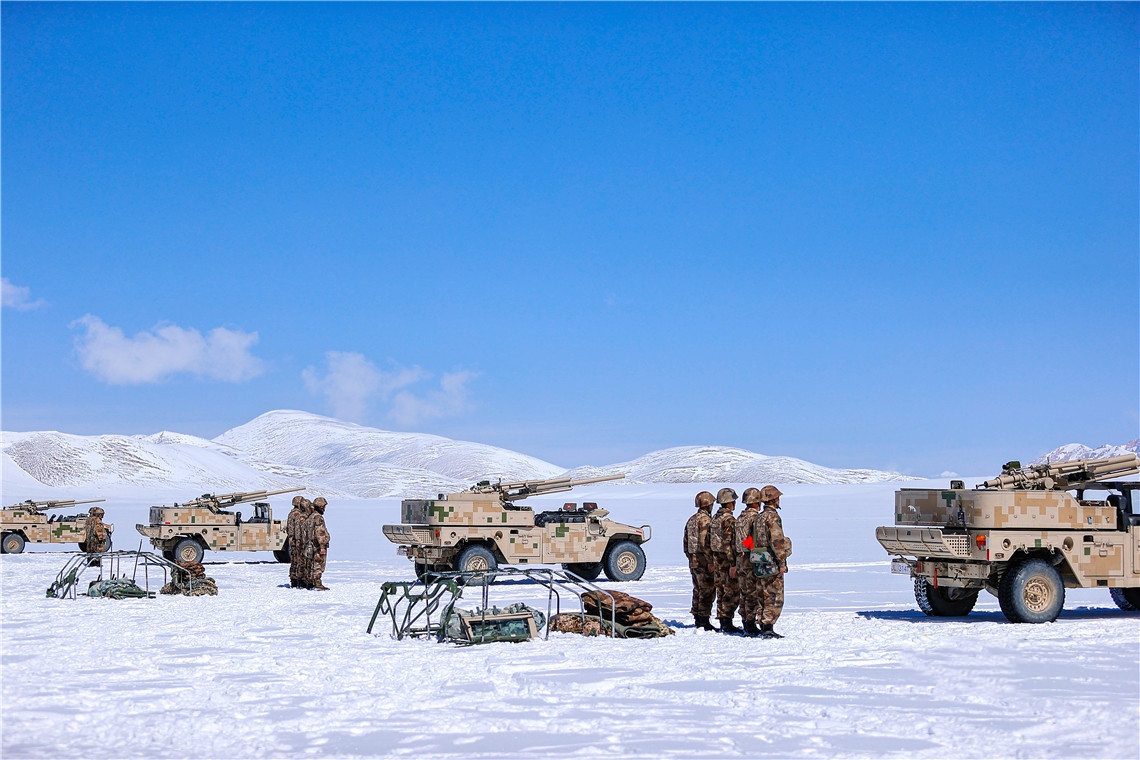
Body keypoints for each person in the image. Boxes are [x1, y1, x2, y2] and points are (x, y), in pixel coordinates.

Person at [753, 485, 792, 638]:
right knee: (774, 594)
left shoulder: (759, 517)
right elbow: (777, 542)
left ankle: (763, 624)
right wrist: (782, 562)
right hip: (771, 560)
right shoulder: (772, 517)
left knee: (762, 593)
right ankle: (768, 626)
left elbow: (751, 540)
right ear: (774, 499)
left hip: (759, 558)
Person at [683, 491, 717, 630]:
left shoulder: (691, 519)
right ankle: (703, 620)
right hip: (703, 561)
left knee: (698, 589)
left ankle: (698, 616)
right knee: (706, 590)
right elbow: (705, 543)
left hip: (693, 560)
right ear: (708, 504)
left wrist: (690, 557)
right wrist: (710, 561)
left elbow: (685, 542)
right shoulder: (705, 520)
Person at [709, 487, 741, 633]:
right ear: (729, 503)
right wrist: (733, 563)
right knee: (731, 592)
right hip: (726, 561)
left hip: (717, 560)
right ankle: (727, 622)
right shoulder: (728, 520)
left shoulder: (715, 518)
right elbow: (729, 543)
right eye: (733, 501)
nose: (734, 504)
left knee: (721, 591)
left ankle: (723, 621)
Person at [734, 488, 764, 637]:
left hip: (740, 559)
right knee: (752, 592)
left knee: (744, 592)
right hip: (751, 558)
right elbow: (753, 539)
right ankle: (751, 624)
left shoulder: (740, 518)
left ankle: (746, 621)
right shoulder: (755, 518)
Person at [286, 495, 311, 589]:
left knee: (294, 560)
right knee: (300, 561)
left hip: (293, 540)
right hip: (298, 540)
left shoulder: (291, 513)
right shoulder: (298, 515)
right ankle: (300, 580)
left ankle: (294, 579)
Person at [307, 497, 331, 590]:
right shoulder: (318, 518)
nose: (324, 509)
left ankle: (311, 581)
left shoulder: (311, 517)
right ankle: (317, 582)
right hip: (317, 545)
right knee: (318, 563)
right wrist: (322, 545)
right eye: (323, 506)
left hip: (311, 544)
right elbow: (320, 532)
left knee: (311, 563)